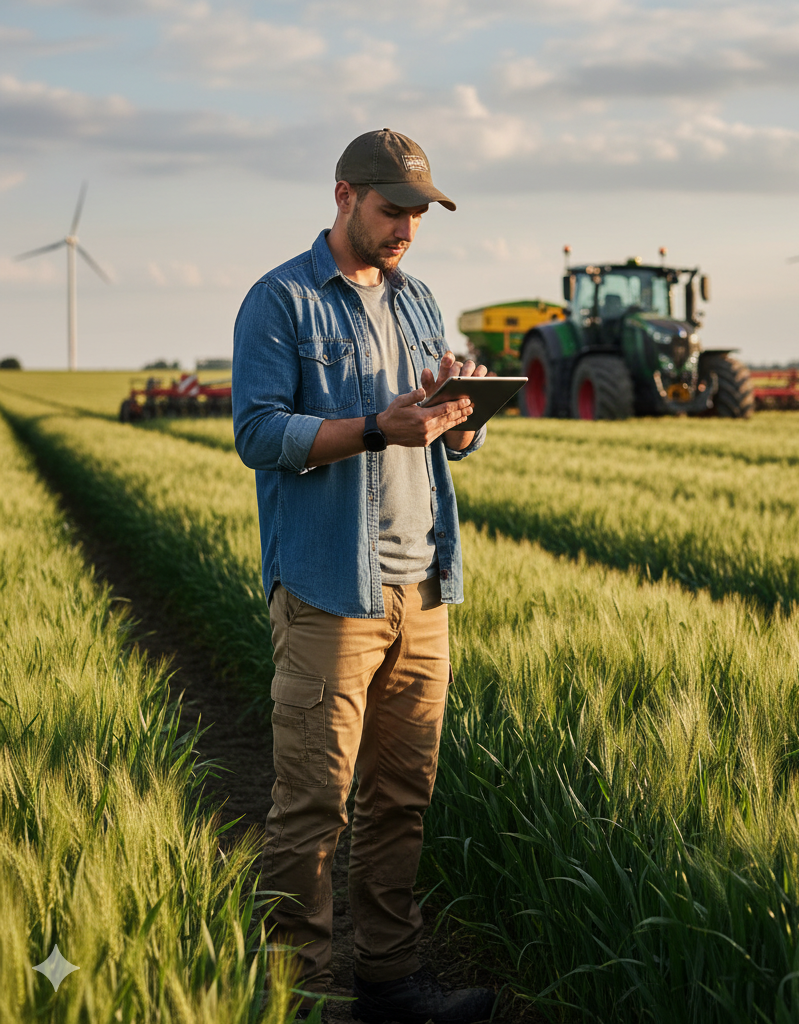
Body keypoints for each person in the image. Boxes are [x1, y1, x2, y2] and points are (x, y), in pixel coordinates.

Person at [233, 128, 496, 1024]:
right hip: (328, 592)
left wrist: (462, 415)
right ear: (344, 195)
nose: (408, 231)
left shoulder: (419, 299)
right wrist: (377, 427)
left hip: (424, 588)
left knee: (401, 803)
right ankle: (295, 998)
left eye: (420, 214)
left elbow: (444, 431)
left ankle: (389, 981)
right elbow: (260, 435)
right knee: (311, 808)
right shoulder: (281, 301)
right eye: (393, 211)